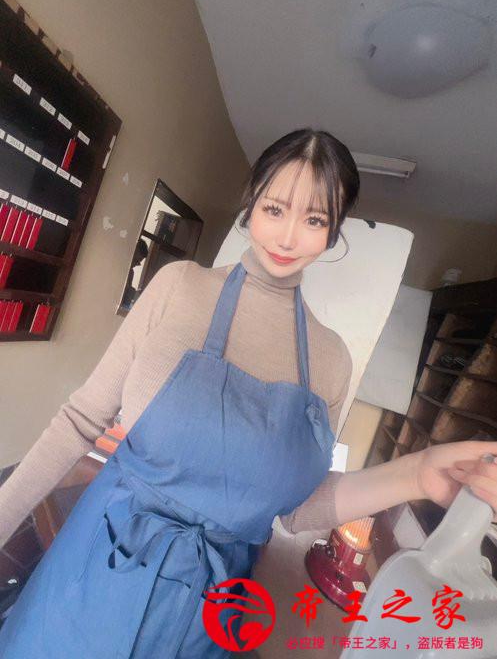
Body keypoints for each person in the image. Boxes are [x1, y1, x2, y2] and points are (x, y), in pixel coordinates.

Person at [0, 128, 496, 657]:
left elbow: (295, 509)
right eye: (275, 209)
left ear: (333, 232)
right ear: (251, 203)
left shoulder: (330, 360)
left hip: (205, 612)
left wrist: (415, 474)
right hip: (92, 572)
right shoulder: (178, 287)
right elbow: (80, 421)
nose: (287, 238)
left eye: (314, 220)